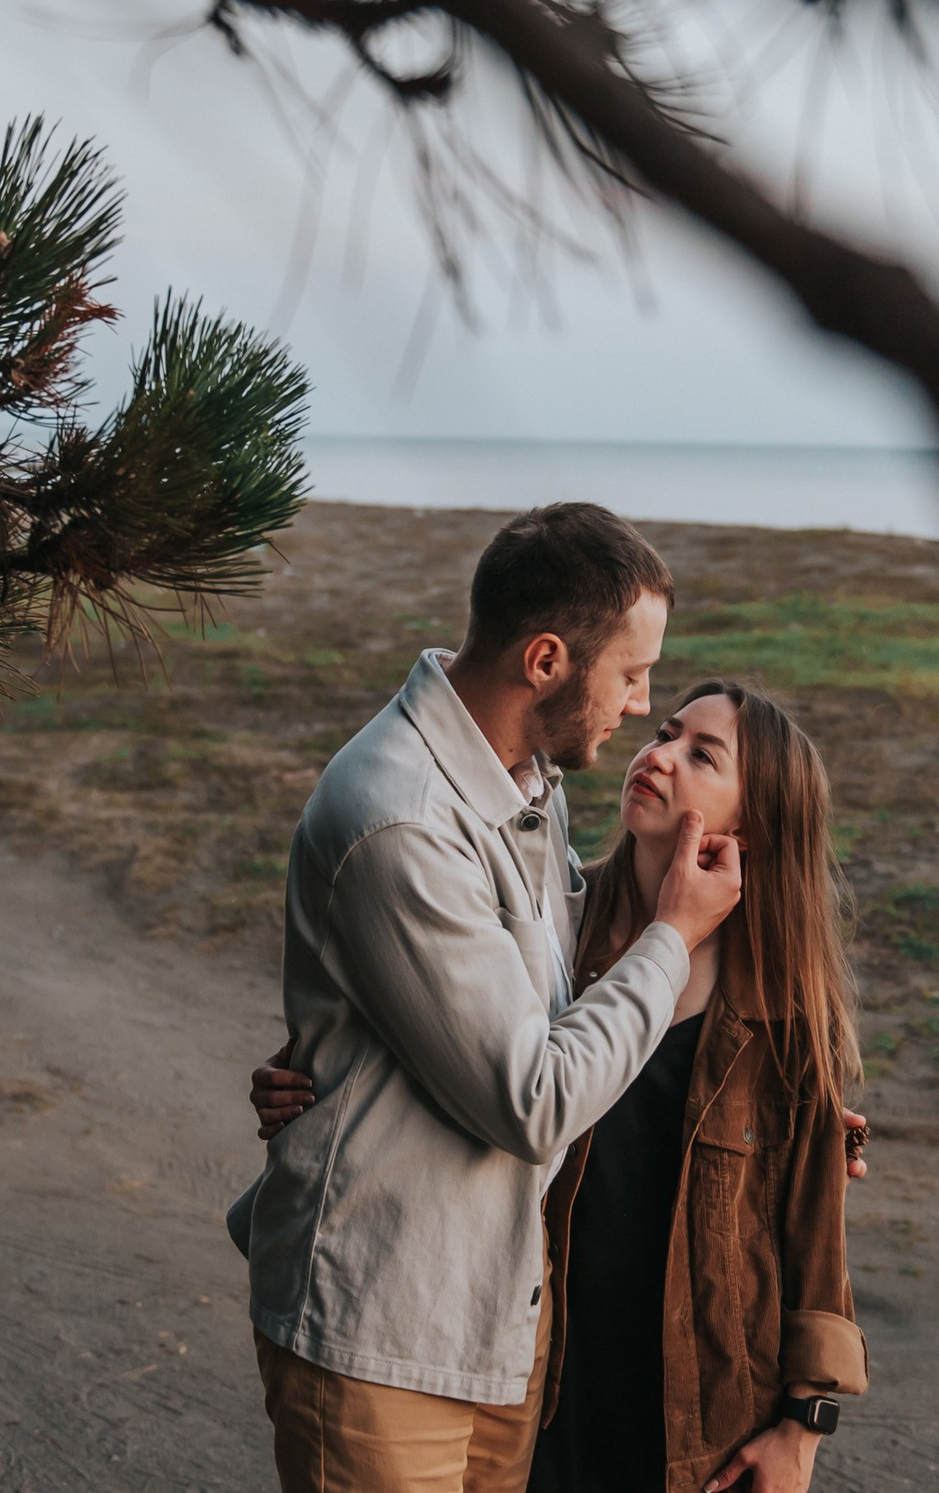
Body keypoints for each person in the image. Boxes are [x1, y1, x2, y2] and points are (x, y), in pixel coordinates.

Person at [226, 503, 745, 1493]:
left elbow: (554, 980)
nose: (639, 707)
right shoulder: (398, 820)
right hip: (380, 1327)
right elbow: (532, 1095)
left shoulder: (524, 779)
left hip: (497, 1316)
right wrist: (676, 932)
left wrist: (784, 1101)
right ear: (546, 659)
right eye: (631, 676)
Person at [259, 681, 868, 1493]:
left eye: (701, 756)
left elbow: (812, 1245)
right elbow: (441, 1032)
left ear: (750, 825)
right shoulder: (552, 925)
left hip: (696, 1408)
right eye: (665, 732)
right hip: (535, 1370)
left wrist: (803, 1427)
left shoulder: (785, 1013)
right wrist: (316, 1080)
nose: (658, 756)